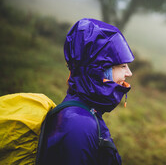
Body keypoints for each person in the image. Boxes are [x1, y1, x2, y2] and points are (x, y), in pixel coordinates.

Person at [38, 18, 134, 165]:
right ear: (100, 70)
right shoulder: (79, 124)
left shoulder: (88, 111)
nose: (129, 73)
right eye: (122, 66)